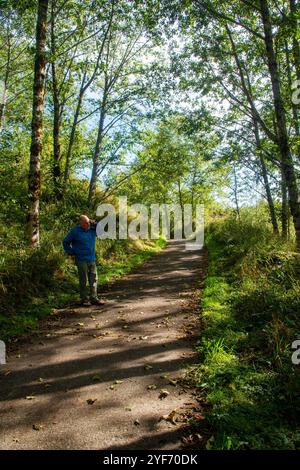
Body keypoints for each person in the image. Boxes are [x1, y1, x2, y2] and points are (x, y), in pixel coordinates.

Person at [63, 215, 104, 306]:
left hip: (91, 258)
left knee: (94, 279)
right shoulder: (75, 231)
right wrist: (71, 252)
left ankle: (94, 298)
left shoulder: (92, 229)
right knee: (83, 279)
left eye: (88, 222)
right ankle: (84, 299)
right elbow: (65, 242)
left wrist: (96, 223)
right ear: (80, 223)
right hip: (81, 259)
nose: (88, 224)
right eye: (85, 223)